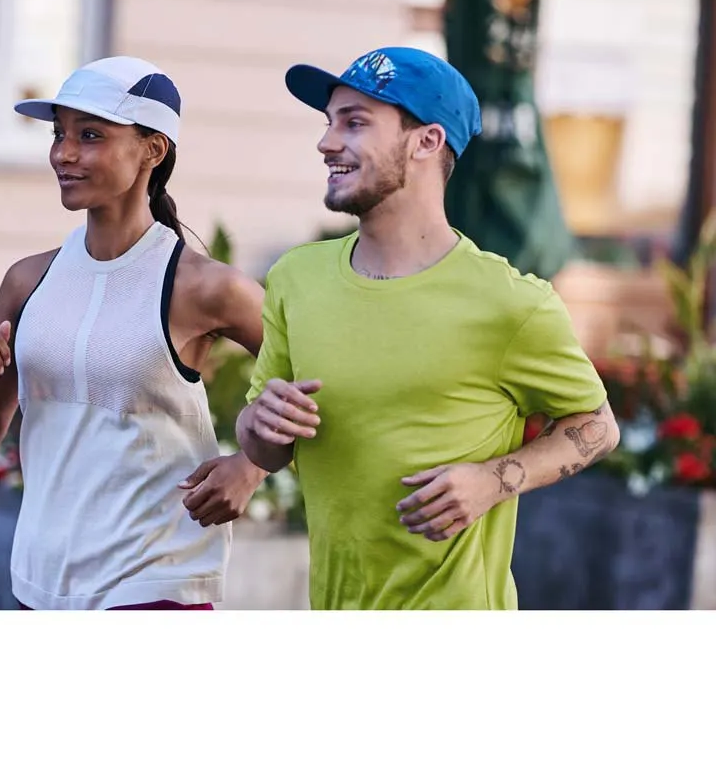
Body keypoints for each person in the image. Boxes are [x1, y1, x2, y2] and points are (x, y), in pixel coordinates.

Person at [235, 46, 619, 610]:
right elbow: (264, 449)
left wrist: (493, 480)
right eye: (329, 122)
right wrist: (259, 427)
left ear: (427, 141)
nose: (326, 142)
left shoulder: (509, 303)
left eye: (354, 123)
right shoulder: (296, 278)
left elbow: (599, 426)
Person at [0, 55, 268, 610]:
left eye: (90, 135)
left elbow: (316, 372)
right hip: (38, 581)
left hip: (154, 582)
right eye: (59, 134)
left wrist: (253, 466)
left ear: (153, 150)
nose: (64, 153)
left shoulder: (203, 286)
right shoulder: (28, 280)